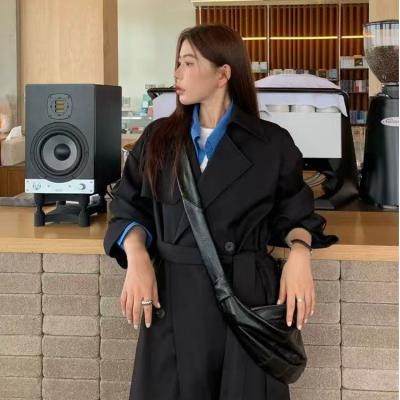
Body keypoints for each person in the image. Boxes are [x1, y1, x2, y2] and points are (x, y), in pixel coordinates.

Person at [103, 23, 338, 400]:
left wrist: (299, 254)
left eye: (188, 63)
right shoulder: (159, 138)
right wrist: (137, 257)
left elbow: (296, 214)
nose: (177, 74)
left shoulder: (271, 143)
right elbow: (129, 204)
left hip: (244, 301)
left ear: (222, 74)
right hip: (172, 298)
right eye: (177, 63)